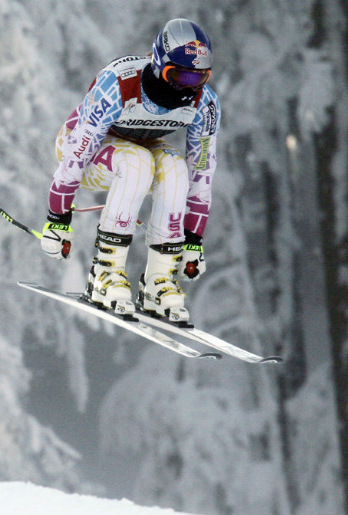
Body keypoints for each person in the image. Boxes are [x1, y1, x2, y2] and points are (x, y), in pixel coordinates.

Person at [40, 18, 220, 324]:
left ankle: (159, 281)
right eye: (178, 75)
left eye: (197, 78)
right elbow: (77, 152)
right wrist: (58, 218)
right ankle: (105, 272)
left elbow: (201, 171)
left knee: (175, 167)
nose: (186, 87)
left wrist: (193, 239)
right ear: (158, 63)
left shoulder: (205, 104)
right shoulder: (120, 83)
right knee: (136, 162)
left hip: (140, 150)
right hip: (83, 152)